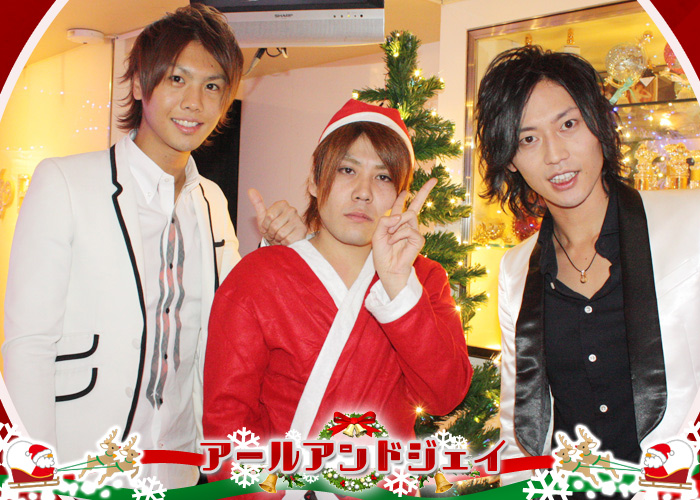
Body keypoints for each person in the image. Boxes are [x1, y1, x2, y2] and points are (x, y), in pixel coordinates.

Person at [2, 4, 305, 488]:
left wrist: (274, 248)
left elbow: (233, 320)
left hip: (179, 462)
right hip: (83, 458)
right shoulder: (65, 182)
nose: (194, 103)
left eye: (212, 87)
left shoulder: (211, 200)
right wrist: (32, 476)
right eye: (177, 79)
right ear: (142, 83)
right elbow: (28, 345)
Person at [203, 99, 473, 483]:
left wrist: (398, 285)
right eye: (347, 170)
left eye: (383, 177)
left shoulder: (424, 279)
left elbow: (444, 396)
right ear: (315, 180)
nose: (363, 192)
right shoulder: (257, 277)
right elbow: (227, 420)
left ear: (402, 193)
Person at [475, 45, 700, 485]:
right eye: (528, 138)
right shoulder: (516, 269)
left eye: (568, 124)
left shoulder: (690, 222)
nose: (555, 155)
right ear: (511, 160)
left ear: (598, 124)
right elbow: (518, 422)